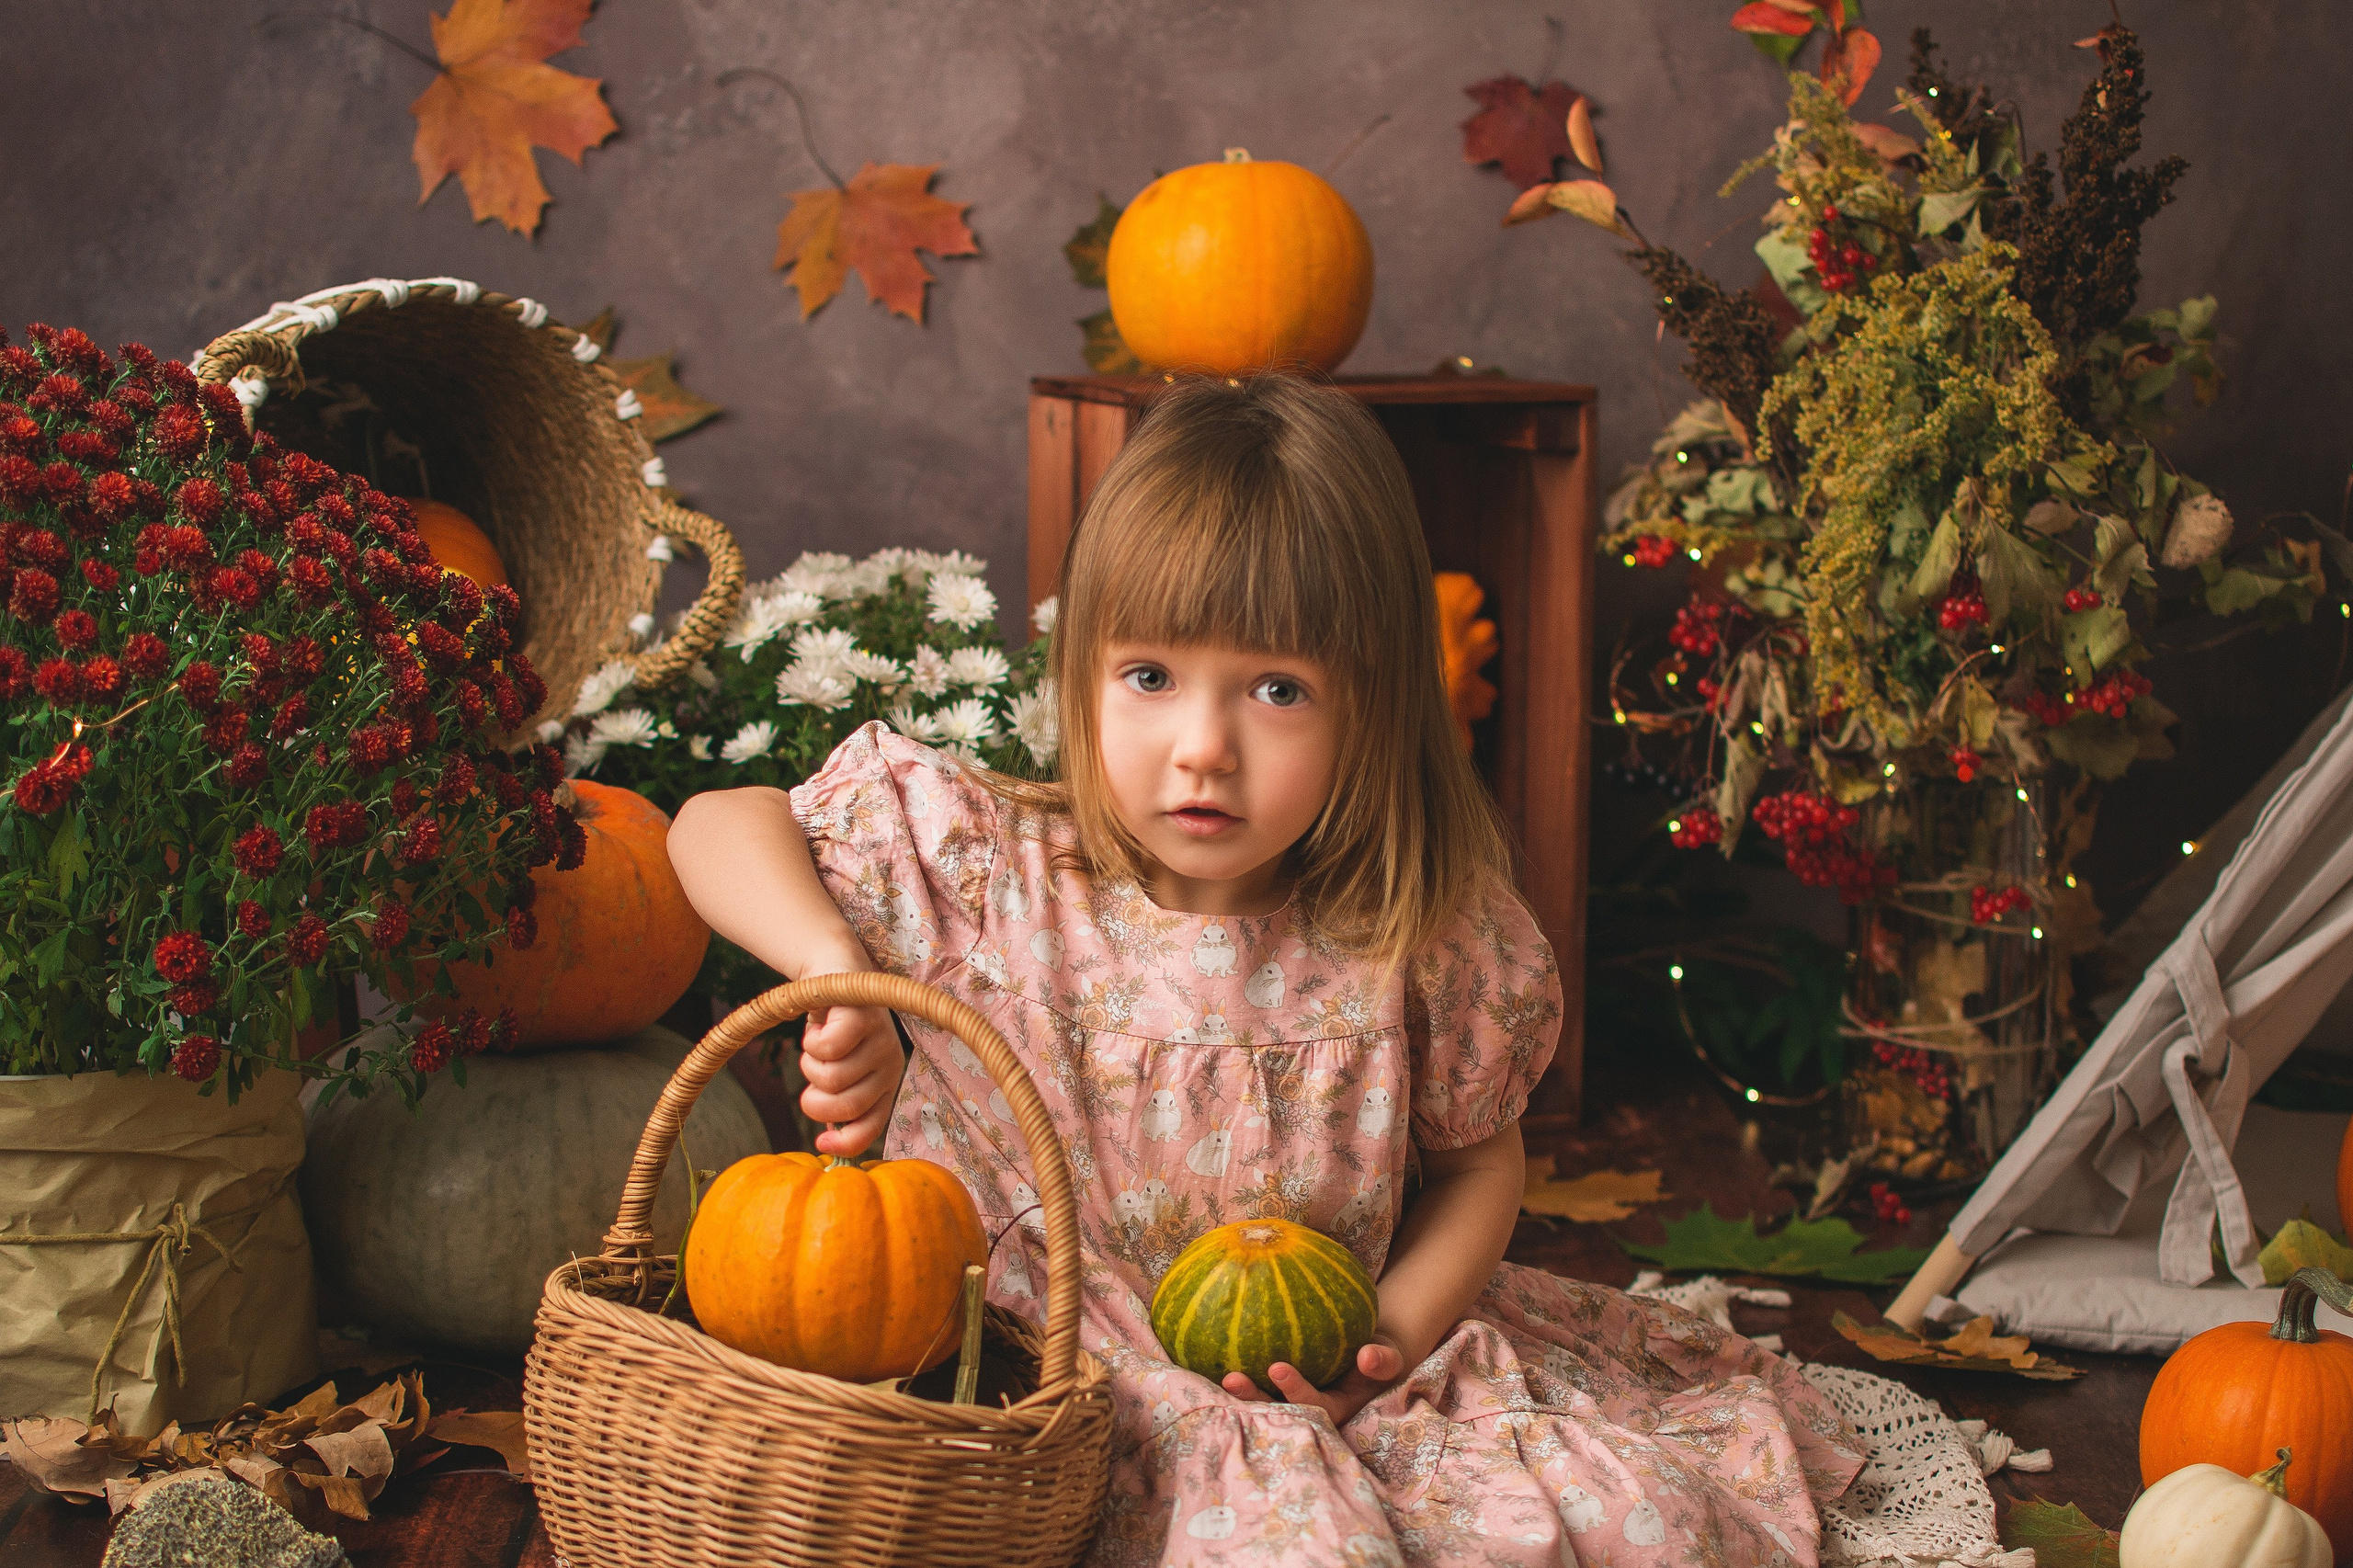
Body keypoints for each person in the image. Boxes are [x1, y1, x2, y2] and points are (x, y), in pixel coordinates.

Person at [667, 375, 1862, 1566]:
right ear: (1083, 673)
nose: (1203, 746)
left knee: (1603, 1526)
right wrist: (833, 967)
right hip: (1032, 1396)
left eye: (1277, 690)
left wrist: (1392, 1329)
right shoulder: (992, 876)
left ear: (1374, 708)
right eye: (1150, 677)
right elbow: (712, 824)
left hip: (1316, 1385)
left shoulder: (1414, 933)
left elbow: (1479, 1168)